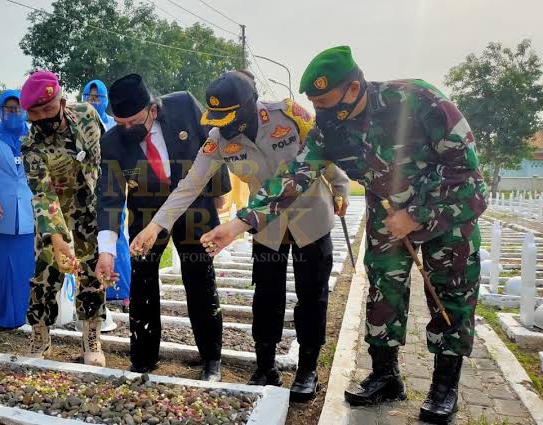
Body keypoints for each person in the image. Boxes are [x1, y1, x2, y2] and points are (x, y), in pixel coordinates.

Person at [201, 46, 487, 423]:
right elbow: (295, 177)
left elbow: (470, 179)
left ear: (352, 89)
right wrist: (239, 224)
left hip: (447, 218)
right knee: (383, 295)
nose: (318, 111)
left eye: (324, 101)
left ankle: (444, 387)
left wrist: (415, 215)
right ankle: (386, 376)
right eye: (313, 103)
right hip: (387, 220)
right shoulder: (329, 128)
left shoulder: (419, 101)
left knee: (449, 300)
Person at [131, 71, 349, 401]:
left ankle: (307, 369)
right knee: (266, 296)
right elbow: (190, 185)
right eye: (217, 119)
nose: (222, 126)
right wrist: (155, 226)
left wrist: (342, 188)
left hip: (310, 220)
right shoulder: (218, 138)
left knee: (311, 296)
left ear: (249, 106)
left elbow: (321, 154)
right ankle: (265, 366)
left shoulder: (289, 114)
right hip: (265, 228)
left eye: (228, 118)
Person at [95, 73, 231, 381]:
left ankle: (211, 358)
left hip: (193, 204)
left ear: (152, 110)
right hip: (145, 214)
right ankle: (144, 359)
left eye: (133, 122)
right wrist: (106, 250)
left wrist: (220, 191)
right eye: (120, 122)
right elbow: (109, 197)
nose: (126, 129)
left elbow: (214, 140)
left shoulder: (183, 105)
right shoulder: (112, 141)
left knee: (199, 277)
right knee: (142, 282)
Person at [20, 71, 108, 365]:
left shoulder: (87, 116)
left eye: (48, 108)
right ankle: (40, 337)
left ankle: (91, 339)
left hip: (89, 214)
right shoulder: (31, 144)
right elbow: (43, 195)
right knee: (45, 278)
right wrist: (57, 239)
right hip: (52, 220)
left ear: (62, 101)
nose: (43, 117)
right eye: (35, 112)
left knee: (91, 276)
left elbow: (105, 159)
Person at [0, 89, 35, 329]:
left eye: (18, 108)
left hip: (28, 213)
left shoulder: (33, 135)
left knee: (24, 269)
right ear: (1, 110)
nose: (13, 113)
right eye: (9, 108)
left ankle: (23, 315)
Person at [83, 79, 132, 311]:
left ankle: (122, 292)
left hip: (113, 189)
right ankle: (97, 287)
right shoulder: (79, 124)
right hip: (87, 191)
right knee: (91, 241)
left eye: (98, 97)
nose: (93, 101)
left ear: (105, 100)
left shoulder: (116, 124)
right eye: (89, 97)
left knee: (116, 238)